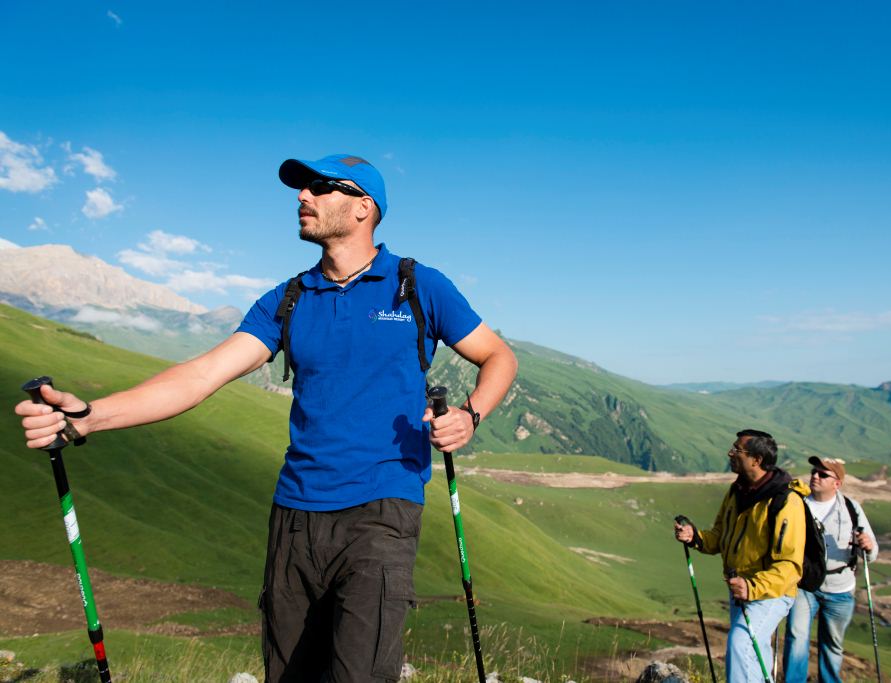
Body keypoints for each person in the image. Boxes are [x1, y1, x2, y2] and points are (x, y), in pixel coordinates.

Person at [15, 153, 518, 683]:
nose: (302, 196)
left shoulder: (418, 286)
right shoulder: (289, 300)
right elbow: (201, 375)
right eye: (302, 188)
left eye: (320, 188)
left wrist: (470, 414)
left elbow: (498, 356)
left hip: (382, 512)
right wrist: (90, 417)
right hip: (295, 515)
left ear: (363, 207)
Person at [674, 429, 809, 682]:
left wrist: (753, 586)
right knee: (754, 652)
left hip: (770, 592)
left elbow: (790, 565)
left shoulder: (785, 501)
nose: (730, 453)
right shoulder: (737, 491)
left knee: (741, 643)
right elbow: (720, 536)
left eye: (737, 450)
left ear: (756, 459)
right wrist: (695, 537)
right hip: (740, 589)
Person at [783, 456, 878, 683]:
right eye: (814, 471)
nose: (815, 476)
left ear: (837, 483)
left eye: (823, 474)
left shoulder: (851, 509)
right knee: (796, 637)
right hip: (804, 584)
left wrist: (868, 545)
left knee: (832, 645)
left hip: (840, 589)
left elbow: (872, 554)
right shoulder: (798, 504)